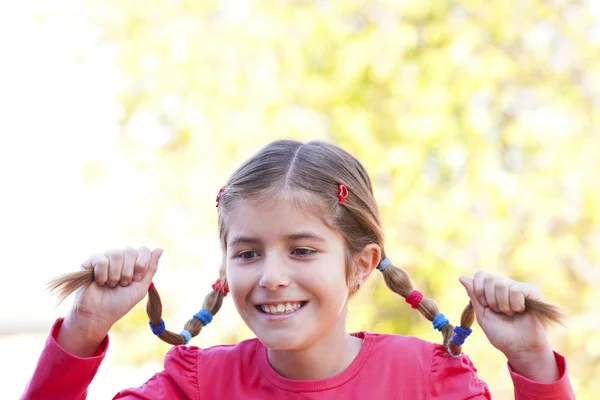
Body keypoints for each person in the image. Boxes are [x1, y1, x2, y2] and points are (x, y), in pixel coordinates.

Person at [23, 140, 574, 399]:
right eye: (248, 252)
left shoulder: (428, 380)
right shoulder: (195, 385)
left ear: (361, 266)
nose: (271, 276)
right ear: (224, 267)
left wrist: (532, 361)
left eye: (303, 250)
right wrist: (83, 331)